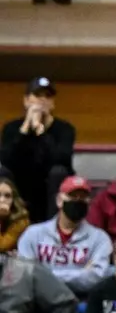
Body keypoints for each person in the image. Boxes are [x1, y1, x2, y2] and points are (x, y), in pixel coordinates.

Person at [18, 176, 110, 298]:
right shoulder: (33, 234)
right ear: (59, 200)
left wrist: (43, 274)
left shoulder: (100, 238)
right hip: (39, 300)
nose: (78, 201)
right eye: (73, 196)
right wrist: (81, 273)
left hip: (81, 299)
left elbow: (95, 278)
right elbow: (26, 275)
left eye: (83, 197)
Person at [1, 76, 75, 224]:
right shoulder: (12, 128)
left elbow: (62, 159)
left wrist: (41, 132)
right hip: (21, 186)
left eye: (47, 96)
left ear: (52, 103)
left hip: (50, 186)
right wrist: (25, 129)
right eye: (37, 95)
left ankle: (53, 227)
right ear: (26, 101)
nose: (42, 100)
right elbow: (6, 159)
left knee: (58, 171)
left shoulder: (65, 129)